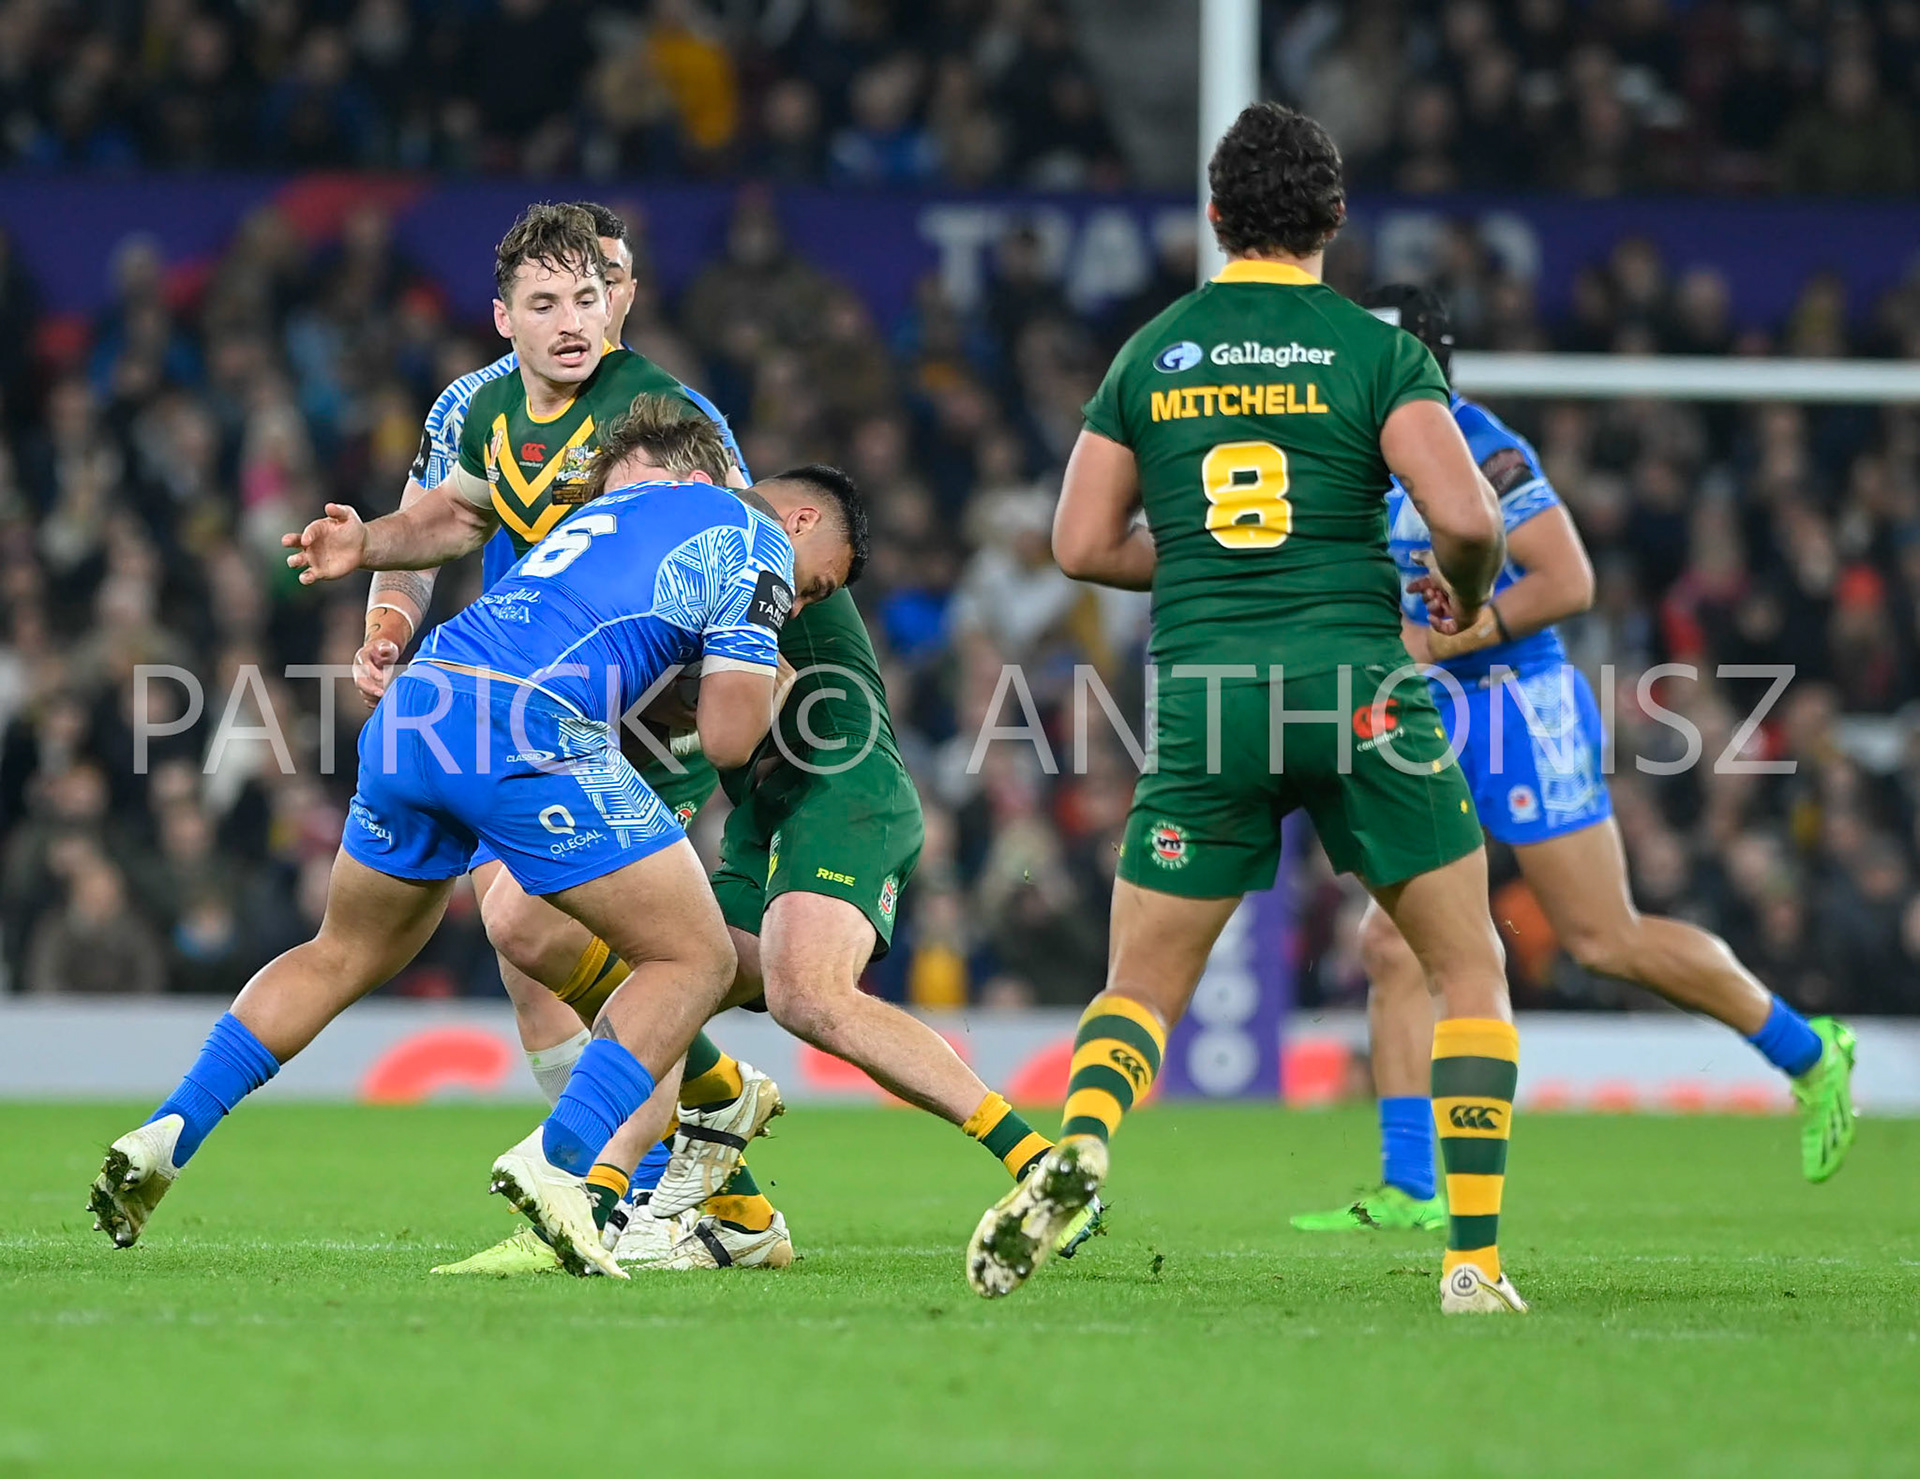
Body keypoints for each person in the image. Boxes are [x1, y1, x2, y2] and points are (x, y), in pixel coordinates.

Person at [89, 396, 862, 1279]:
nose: (803, 599)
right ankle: (561, 1158)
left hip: (423, 702)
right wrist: (762, 678)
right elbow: (726, 736)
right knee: (694, 960)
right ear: (800, 521)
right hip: (523, 726)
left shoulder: (612, 510)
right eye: (819, 582)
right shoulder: (754, 539)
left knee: (341, 950)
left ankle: (171, 1128)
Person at [965, 101, 1526, 1314]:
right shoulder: (1377, 353)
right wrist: (1462, 595)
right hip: (1358, 686)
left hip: (1210, 694)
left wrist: (1219, 559)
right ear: (1333, 218)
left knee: (1139, 986)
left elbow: (1076, 542)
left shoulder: (1153, 350)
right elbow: (1471, 519)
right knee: (1466, 963)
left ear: (1215, 217)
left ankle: (1087, 1145)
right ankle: (1473, 1262)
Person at [1290, 287, 1857, 1236]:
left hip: (1520, 704)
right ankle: (1410, 1185)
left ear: (1416, 361)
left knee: (1602, 936)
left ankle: (1809, 1049)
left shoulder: (1485, 445)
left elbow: (1570, 578)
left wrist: (1451, 642)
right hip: (1429, 711)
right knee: (1391, 940)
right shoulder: (1357, 458)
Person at [357, 200, 785, 1272]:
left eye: (594, 292)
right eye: (549, 298)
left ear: (620, 297)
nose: (578, 316)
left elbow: (735, 563)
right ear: (510, 313)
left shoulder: (674, 415)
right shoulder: (473, 405)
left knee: (537, 928)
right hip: (526, 701)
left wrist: (714, 697)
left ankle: (602, 1188)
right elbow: (431, 527)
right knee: (532, 958)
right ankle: (702, 1193)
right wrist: (387, 624)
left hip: (641, 714)